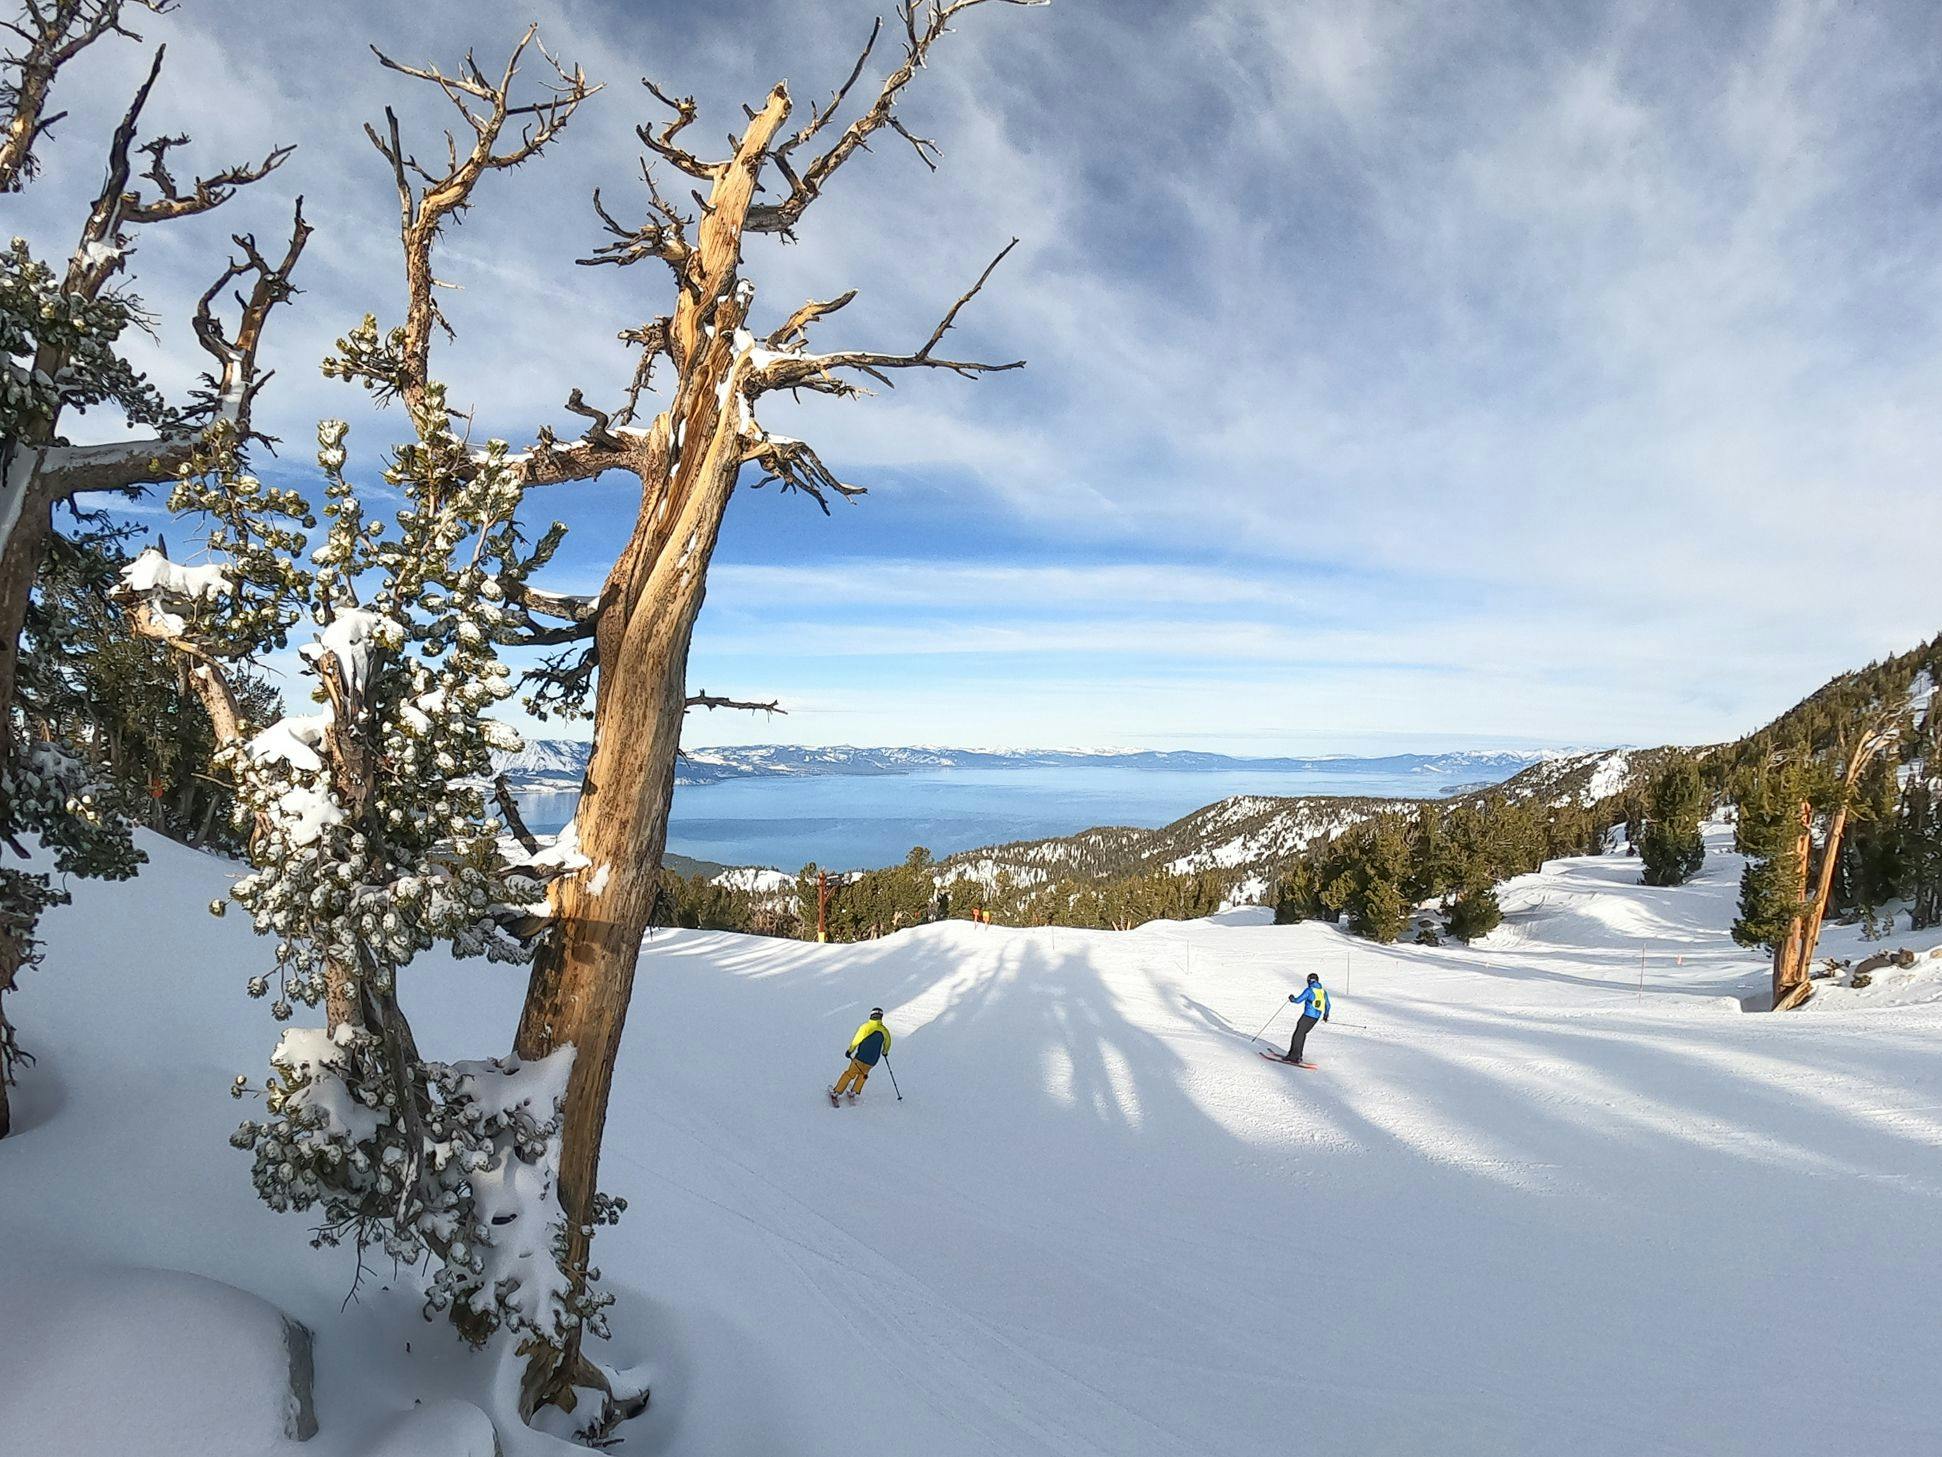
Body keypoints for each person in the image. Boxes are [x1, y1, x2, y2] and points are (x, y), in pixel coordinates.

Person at [832, 1007, 893, 1102]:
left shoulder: (865, 1027)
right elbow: (888, 1044)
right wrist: (885, 1052)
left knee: (849, 1074)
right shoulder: (884, 1031)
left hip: (860, 1058)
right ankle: (854, 1092)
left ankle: (836, 1092)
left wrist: (850, 1051)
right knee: (863, 1075)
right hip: (872, 1061)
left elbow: (856, 1040)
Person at [1284, 972, 1329, 1064]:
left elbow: (1298, 1000)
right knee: (1302, 1034)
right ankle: (1298, 1055)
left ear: (1309, 980)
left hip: (1307, 1016)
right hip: (1315, 1018)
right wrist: (1325, 1015)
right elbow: (1328, 1005)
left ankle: (1294, 1056)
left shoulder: (1309, 990)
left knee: (1298, 1035)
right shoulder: (1323, 992)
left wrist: (1292, 998)